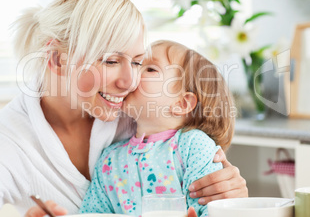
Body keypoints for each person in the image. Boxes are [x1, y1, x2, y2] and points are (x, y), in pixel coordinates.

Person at [0, 0, 247, 217]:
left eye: (136, 61)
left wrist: (230, 194)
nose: (129, 81)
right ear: (56, 59)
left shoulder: (138, 113)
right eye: (110, 61)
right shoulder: (7, 140)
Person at [76, 40, 236, 217]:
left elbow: (215, 209)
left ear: (182, 103)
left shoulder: (194, 147)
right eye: (138, 64)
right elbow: (91, 214)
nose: (133, 73)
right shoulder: (109, 160)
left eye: (150, 69)